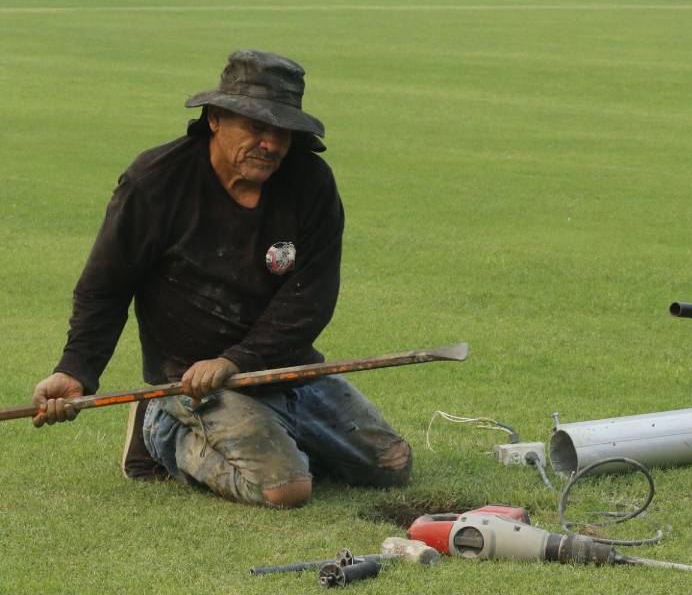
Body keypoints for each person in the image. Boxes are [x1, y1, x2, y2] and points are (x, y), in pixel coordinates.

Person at [30, 50, 412, 508]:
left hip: (283, 368)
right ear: (215, 118)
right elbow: (106, 287)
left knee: (391, 466)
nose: (270, 144)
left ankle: (272, 428)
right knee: (285, 490)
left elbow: (310, 297)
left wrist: (239, 358)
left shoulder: (311, 182)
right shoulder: (154, 183)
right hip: (192, 380)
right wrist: (75, 370)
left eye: (282, 132)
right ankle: (160, 425)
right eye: (256, 127)